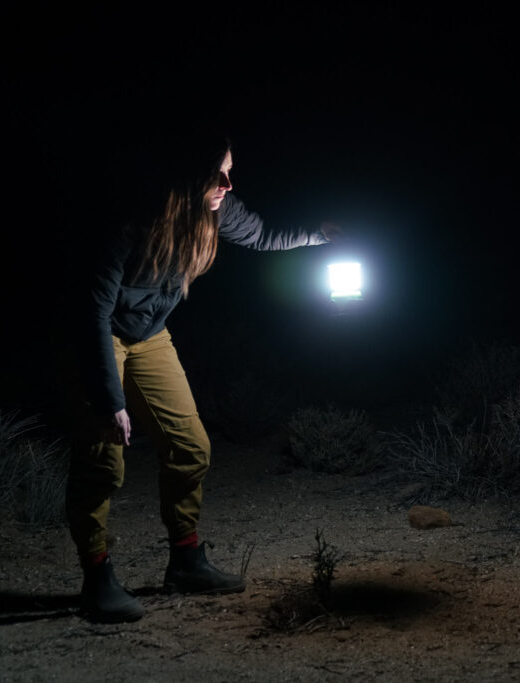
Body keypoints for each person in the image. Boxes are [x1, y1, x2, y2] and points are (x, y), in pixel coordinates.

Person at [66, 129, 338, 623]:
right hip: (101, 334)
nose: (227, 184)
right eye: (219, 173)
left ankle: (186, 561)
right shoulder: (131, 218)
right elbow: (93, 311)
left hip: (149, 335)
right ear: (189, 175)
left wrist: (321, 232)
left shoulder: (214, 212)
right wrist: (111, 399)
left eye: (230, 173)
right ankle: (97, 577)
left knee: (191, 446)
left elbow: (264, 234)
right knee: (103, 463)